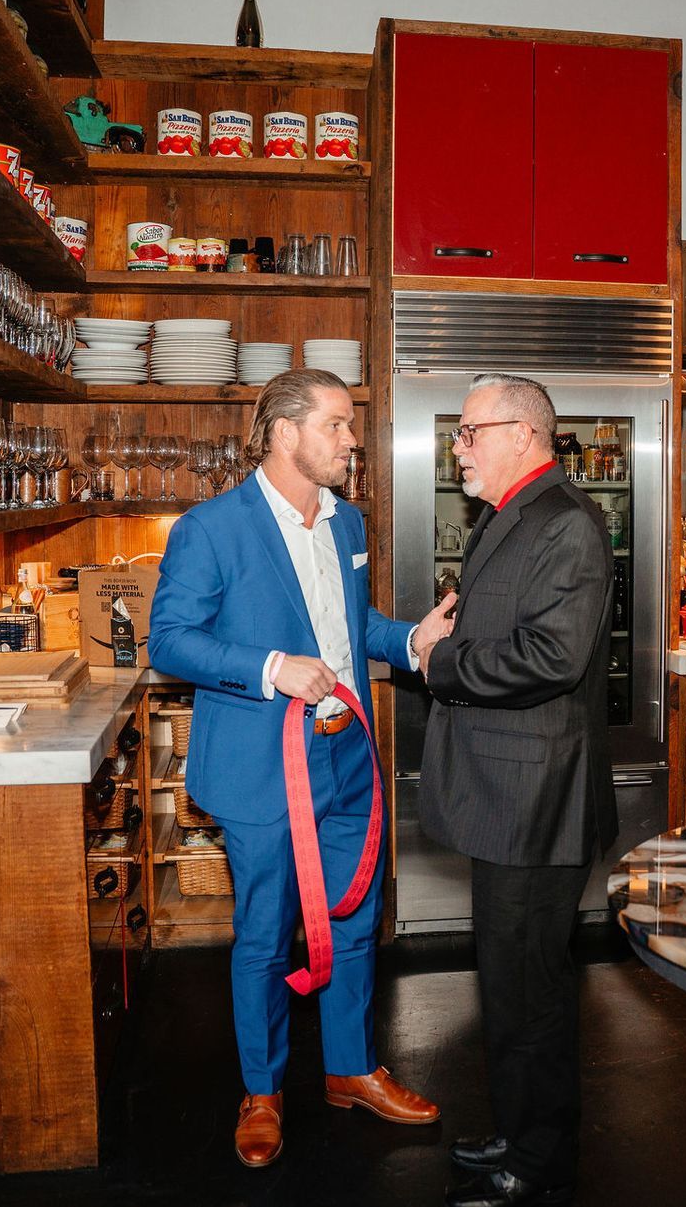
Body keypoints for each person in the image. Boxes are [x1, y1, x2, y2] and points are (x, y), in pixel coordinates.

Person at [150, 368, 458, 1169]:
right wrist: (270, 665)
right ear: (285, 432)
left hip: (348, 759)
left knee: (357, 919)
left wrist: (410, 641)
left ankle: (351, 1068)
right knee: (264, 932)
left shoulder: (347, 523)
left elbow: (352, 629)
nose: (352, 439)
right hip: (261, 768)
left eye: (349, 426)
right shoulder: (211, 528)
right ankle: (261, 1090)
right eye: (337, 425)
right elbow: (171, 640)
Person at [419, 372, 614, 1207]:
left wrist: (440, 660)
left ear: (523, 435)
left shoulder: (567, 522)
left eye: (469, 431)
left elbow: (550, 659)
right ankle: (519, 1127)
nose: (458, 446)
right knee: (507, 981)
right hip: (510, 796)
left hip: (538, 805)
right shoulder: (515, 514)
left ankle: (538, 1161)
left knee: (529, 991)